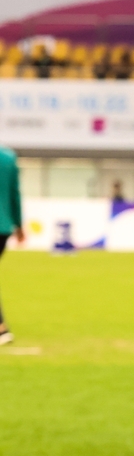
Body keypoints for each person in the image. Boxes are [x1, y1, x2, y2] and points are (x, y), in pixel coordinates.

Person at [0, 143, 24, 346]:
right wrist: (19, 225)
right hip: (4, 226)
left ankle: (1, 328)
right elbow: (15, 194)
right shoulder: (8, 158)